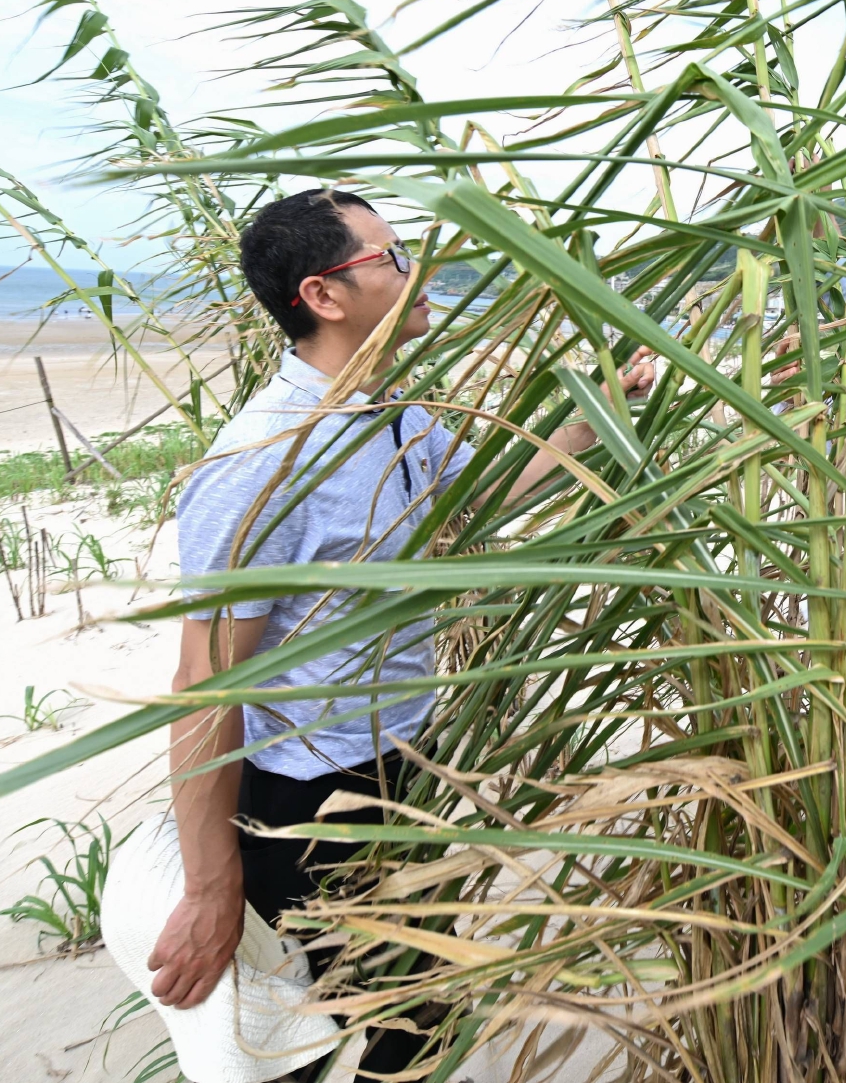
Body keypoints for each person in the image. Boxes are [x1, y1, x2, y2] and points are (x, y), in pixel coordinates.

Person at [151, 188, 652, 1077]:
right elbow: (204, 681)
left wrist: (601, 407)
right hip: (310, 800)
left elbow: (484, 496)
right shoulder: (265, 456)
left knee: (404, 1016)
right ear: (324, 295)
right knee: (320, 1035)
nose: (416, 270)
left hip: (399, 767)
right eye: (390, 257)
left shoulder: (393, 414)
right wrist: (210, 883)